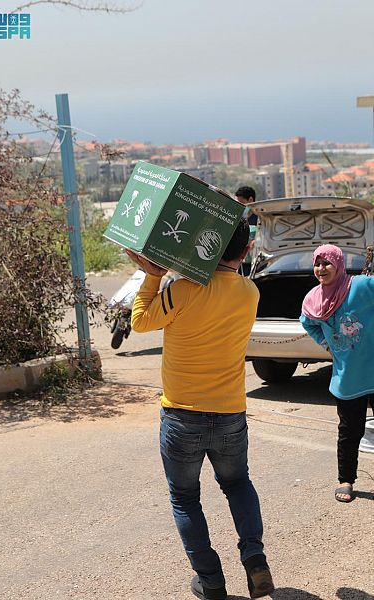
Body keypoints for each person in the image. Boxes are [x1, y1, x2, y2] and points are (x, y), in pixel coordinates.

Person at [126, 219, 274, 600]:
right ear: (245, 252)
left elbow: (140, 322)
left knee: (185, 497)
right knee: (238, 484)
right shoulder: (250, 292)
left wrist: (152, 276)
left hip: (181, 416)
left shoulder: (184, 289)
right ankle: (254, 555)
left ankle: (211, 580)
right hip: (229, 414)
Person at [300, 244, 374, 503]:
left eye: (327, 263)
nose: (321, 269)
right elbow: (306, 321)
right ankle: (346, 479)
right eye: (317, 264)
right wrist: (326, 343)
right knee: (349, 431)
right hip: (348, 376)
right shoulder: (312, 299)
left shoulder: (363, 286)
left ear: (339, 264)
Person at [234, 186, 258, 276]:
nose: (239, 207)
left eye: (241, 203)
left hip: (256, 264)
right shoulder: (237, 220)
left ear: (251, 200)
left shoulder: (260, 218)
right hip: (240, 265)